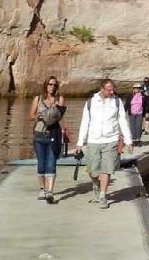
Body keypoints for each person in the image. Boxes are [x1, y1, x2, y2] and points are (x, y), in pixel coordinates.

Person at [73, 78, 133, 209]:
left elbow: (122, 120)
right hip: (93, 140)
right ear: (102, 89)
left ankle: (102, 195)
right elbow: (85, 122)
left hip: (110, 139)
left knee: (107, 169)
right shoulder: (91, 102)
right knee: (92, 170)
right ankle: (96, 183)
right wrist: (79, 142)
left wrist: (128, 140)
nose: (111, 92)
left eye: (112, 89)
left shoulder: (116, 102)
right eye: (108, 89)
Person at [30, 76, 66, 204]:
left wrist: (55, 110)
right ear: (46, 85)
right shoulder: (38, 99)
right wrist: (42, 115)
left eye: (54, 85)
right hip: (39, 134)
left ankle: (49, 192)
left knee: (51, 163)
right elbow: (31, 115)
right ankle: (42, 189)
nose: (52, 87)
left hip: (53, 134)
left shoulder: (60, 99)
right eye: (50, 84)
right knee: (41, 163)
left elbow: (60, 117)